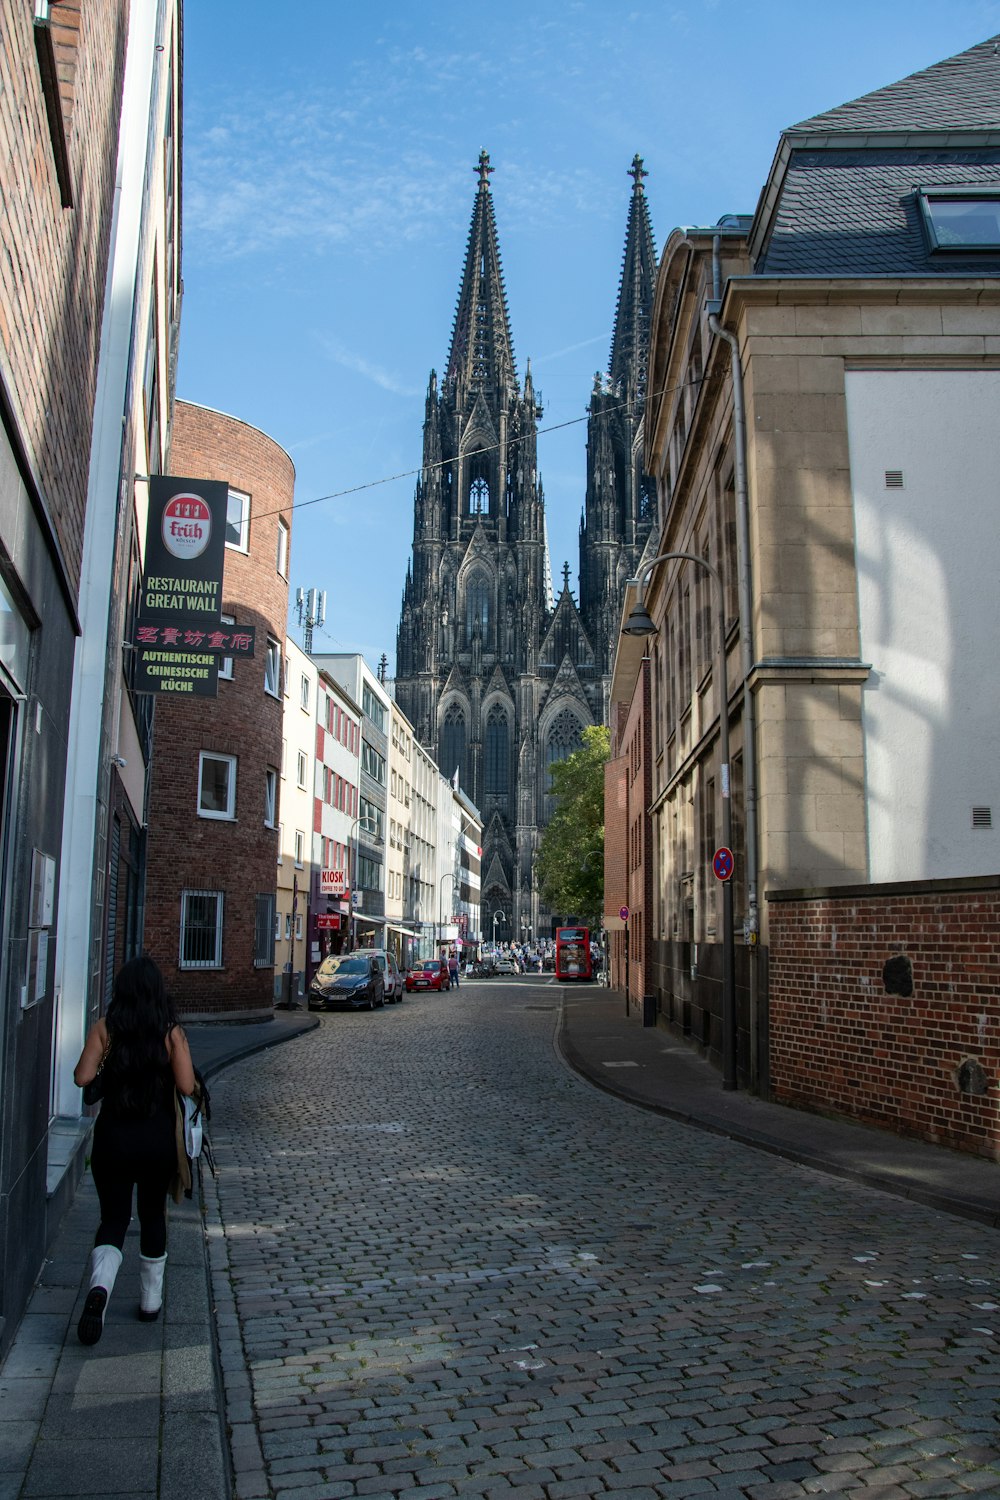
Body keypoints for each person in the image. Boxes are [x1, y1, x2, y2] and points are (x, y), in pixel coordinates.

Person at [73, 956, 195, 1346]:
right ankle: (149, 1302)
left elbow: (82, 1077)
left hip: (113, 1139)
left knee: (113, 1217)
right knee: (152, 1215)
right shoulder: (170, 1033)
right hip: (157, 1141)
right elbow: (188, 1086)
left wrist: (108, 1060)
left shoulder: (106, 1029)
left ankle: (101, 1289)